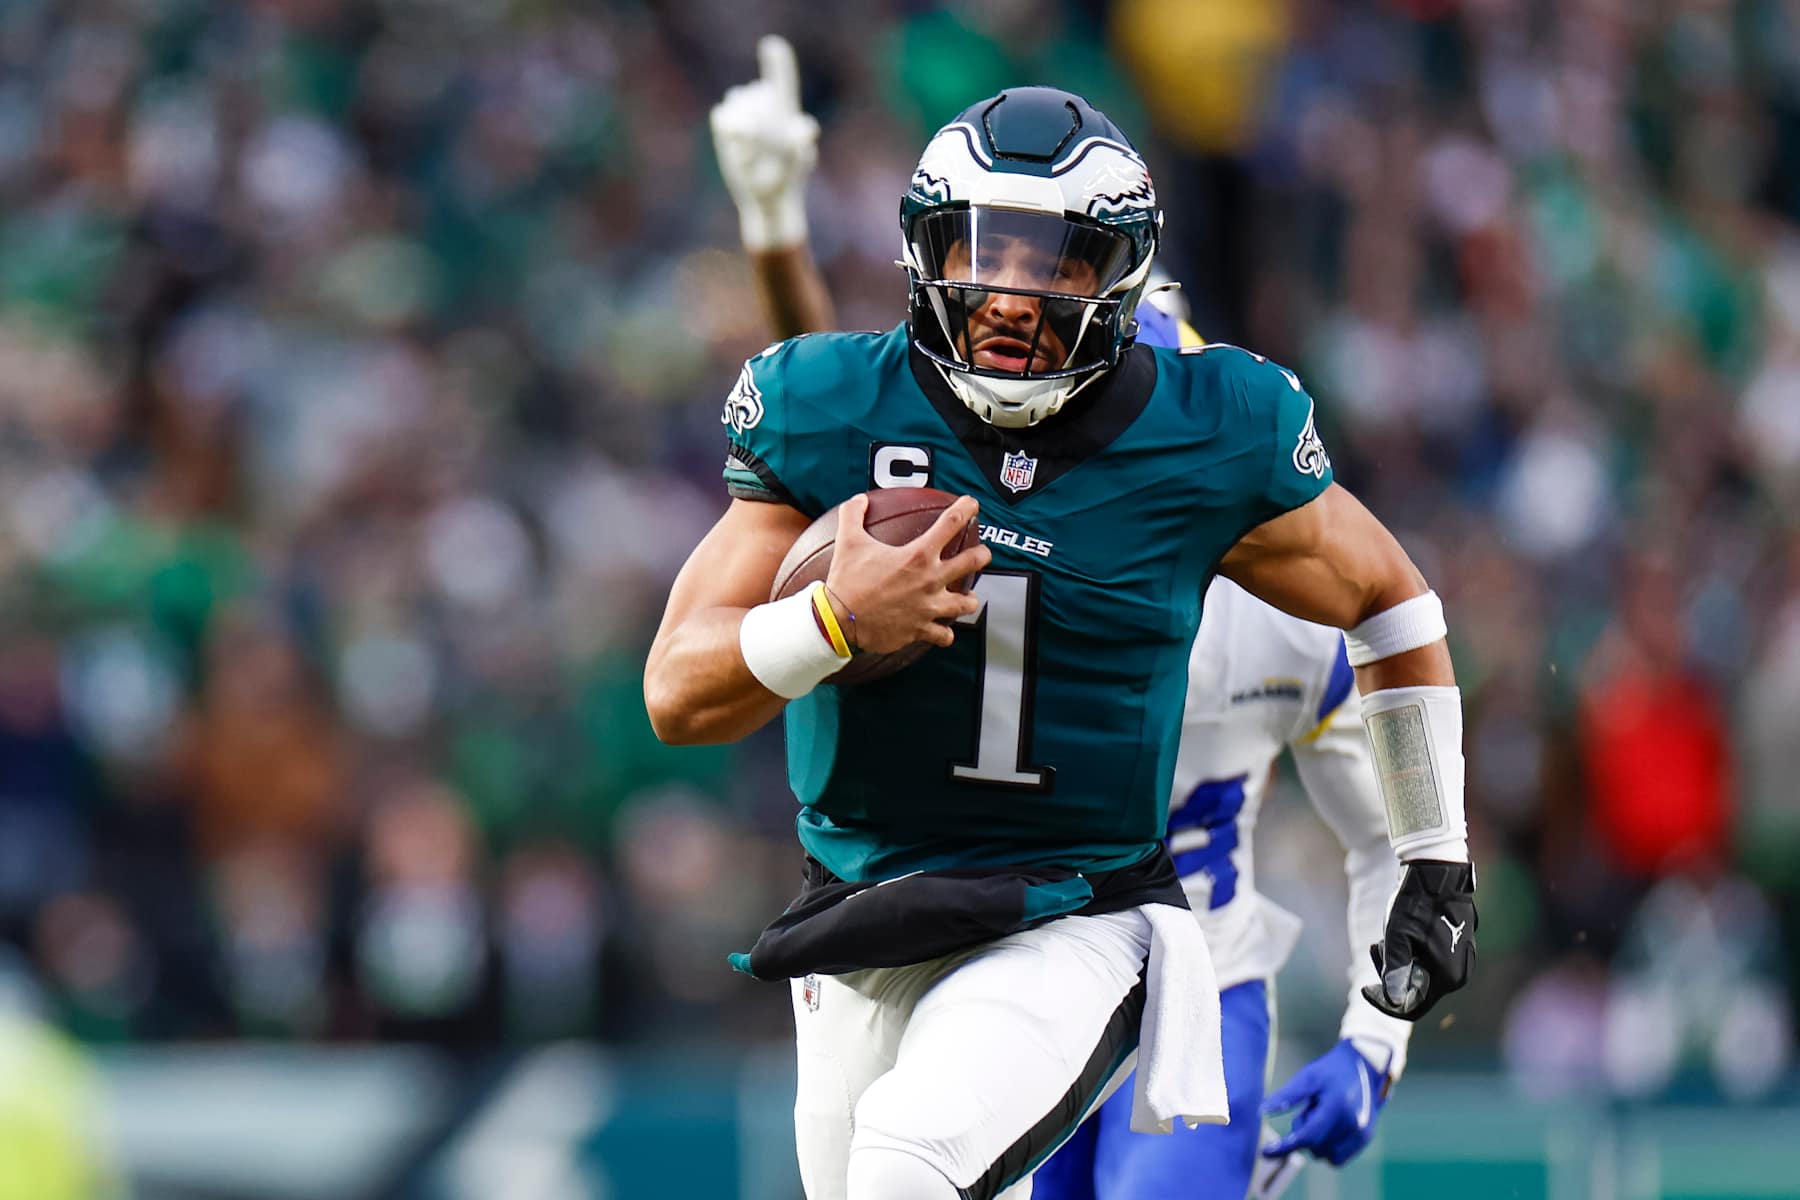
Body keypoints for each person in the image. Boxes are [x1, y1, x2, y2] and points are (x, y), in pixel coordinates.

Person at [649, 68, 1475, 1200]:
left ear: (1125, 289)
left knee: (906, 1161)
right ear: (923, 254)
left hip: (1079, 913)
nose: (1007, 296)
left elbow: (1393, 600)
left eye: (1055, 263)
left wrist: (1436, 860)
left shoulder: (1208, 444)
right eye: (978, 253)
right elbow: (677, 693)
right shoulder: (831, 408)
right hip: (865, 911)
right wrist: (835, 618)